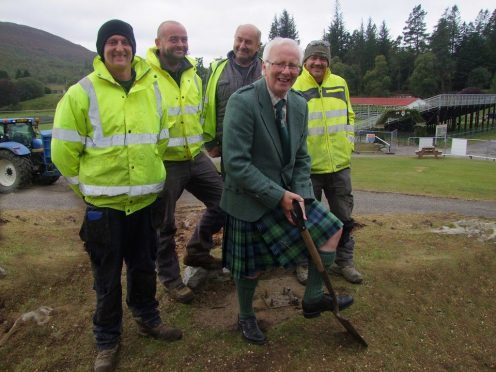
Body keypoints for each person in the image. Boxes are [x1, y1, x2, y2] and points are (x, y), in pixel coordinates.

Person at [51, 19, 182, 372]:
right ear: (101, 49)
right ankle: (107, 341)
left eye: (125, 41)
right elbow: (63, 153)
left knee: (144, 267)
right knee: (105, 279)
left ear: (134, 47)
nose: (119, 48)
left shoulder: (152, 89)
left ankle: (148, 317)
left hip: (145, 204)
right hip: (104, 209)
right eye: (112, 42)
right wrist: (87, 190)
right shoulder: (82, 93)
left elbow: (161, 139)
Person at [221, 37, 354, 345]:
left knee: (333, 229)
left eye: (293, 65)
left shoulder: (298, 104)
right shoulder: (243, 102)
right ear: (264, 66)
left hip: (287, 195)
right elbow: (236, 164)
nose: (286, 71)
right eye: (279, 64)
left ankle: (312, 299)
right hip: (248, 198)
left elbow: (301, 157)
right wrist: (279, 196)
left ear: (300, 68)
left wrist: (303, 197)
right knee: (250, 269)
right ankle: (245, 316)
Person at [146, 21, 225, 304]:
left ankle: (196, 251)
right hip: (164, 162)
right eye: (173, 39)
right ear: (158, 42)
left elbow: (199, 112)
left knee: (225, 202)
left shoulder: (193, 73)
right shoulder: (144, 74)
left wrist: (208, 142)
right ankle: (171, 279)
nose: (180, 44)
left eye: (184, 39)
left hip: (195, 156)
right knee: (163, 225)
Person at [293, 40, 362, 284]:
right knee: (304, 220)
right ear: (305, 61)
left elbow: (349, 116)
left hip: (340, 167)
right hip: (308, 170)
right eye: (314, 58)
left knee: (344, 218)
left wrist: (348, 143)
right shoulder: (295, 85)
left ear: (328, 62)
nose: (318, 62)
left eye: (323, 58)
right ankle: (302, 263)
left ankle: (345, 261)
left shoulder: (340, 83)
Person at [202, 24, 263, 162]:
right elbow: (207, 106)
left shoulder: (267, 70)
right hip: (227, 147)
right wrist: (210, 143)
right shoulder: (216, 68)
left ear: (258, 46)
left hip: (262, 148)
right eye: (239, 40)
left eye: (248, 42)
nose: (242, 45)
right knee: (229, 184)